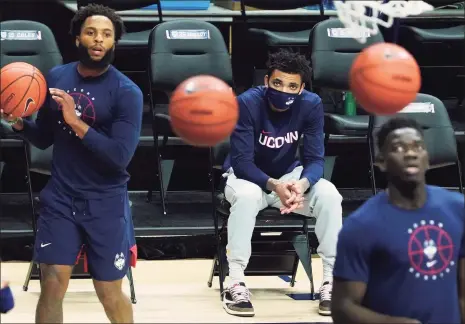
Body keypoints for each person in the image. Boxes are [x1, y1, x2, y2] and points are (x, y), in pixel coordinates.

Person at [0, 4, 142, 323]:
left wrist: (76, 122)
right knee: (51, 284)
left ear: (114, 43)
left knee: (108, 293)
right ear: (78, 38)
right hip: (61, 199)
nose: (98, 40)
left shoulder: (126, 92)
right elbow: (45, 138)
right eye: (90, 32)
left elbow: (119, 157)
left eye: (106, 35)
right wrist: (20, 123)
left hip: (105, 202)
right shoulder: (58, 77)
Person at [221, 49, 343, 317]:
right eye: (277, 83)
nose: (283, 90)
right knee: (248, 197)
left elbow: (315, 161)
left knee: (330, 195)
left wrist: (301, 185)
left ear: (300, 89)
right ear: (266, 82)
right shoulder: (246, 103)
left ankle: (331, 281)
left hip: (287, 179)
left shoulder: (311, 104)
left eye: (291, 86)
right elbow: (241, 163)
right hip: (246, 178)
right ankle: (235, 281)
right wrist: (274, 185)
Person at [332, 117, 465, 324]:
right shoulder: (360, 226)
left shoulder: (458, 209)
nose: (410, 153)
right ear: (381, 162)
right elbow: (342, 308)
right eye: (398, 148)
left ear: (427, 158)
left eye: (417, 147)